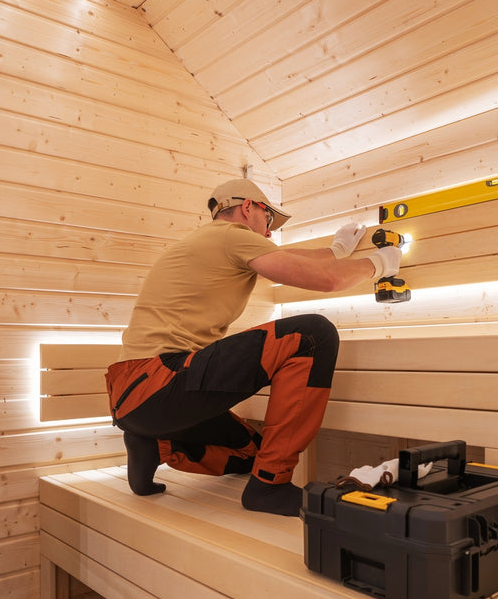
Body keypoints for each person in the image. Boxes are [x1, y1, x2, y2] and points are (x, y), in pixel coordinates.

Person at [105, 178, 402, 516]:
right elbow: (326, 280)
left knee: (253, 451)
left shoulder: (210, 244)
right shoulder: (232, 237)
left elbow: (290, 258)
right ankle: (269, 487)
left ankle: (154, 445)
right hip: (161, 381)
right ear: (248, 207)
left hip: (130, 397)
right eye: (268, 220)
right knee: (314, 334)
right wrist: (380, 264)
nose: (270, 232)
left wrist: (336, 251)